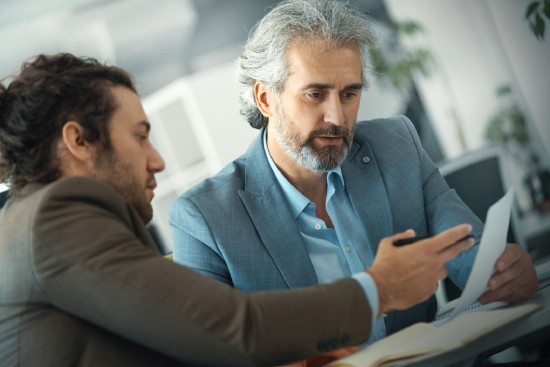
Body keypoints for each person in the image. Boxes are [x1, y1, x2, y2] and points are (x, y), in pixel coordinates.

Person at [0, 53, 473, 367]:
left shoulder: (37, 221)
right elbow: (234, 326)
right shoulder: (55, 217)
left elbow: (185, 341)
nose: (157, 159)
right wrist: (380, 288)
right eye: (140, 136)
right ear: (78, 141)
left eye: (350, 92)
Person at [169, 0, 538, 345]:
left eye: (349, 94)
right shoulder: (204, 219)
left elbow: (466, 246)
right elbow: (216, 351)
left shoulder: (397, 145)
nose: (337, 117)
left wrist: (501, 272)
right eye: (315, 94)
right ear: (266, 99)